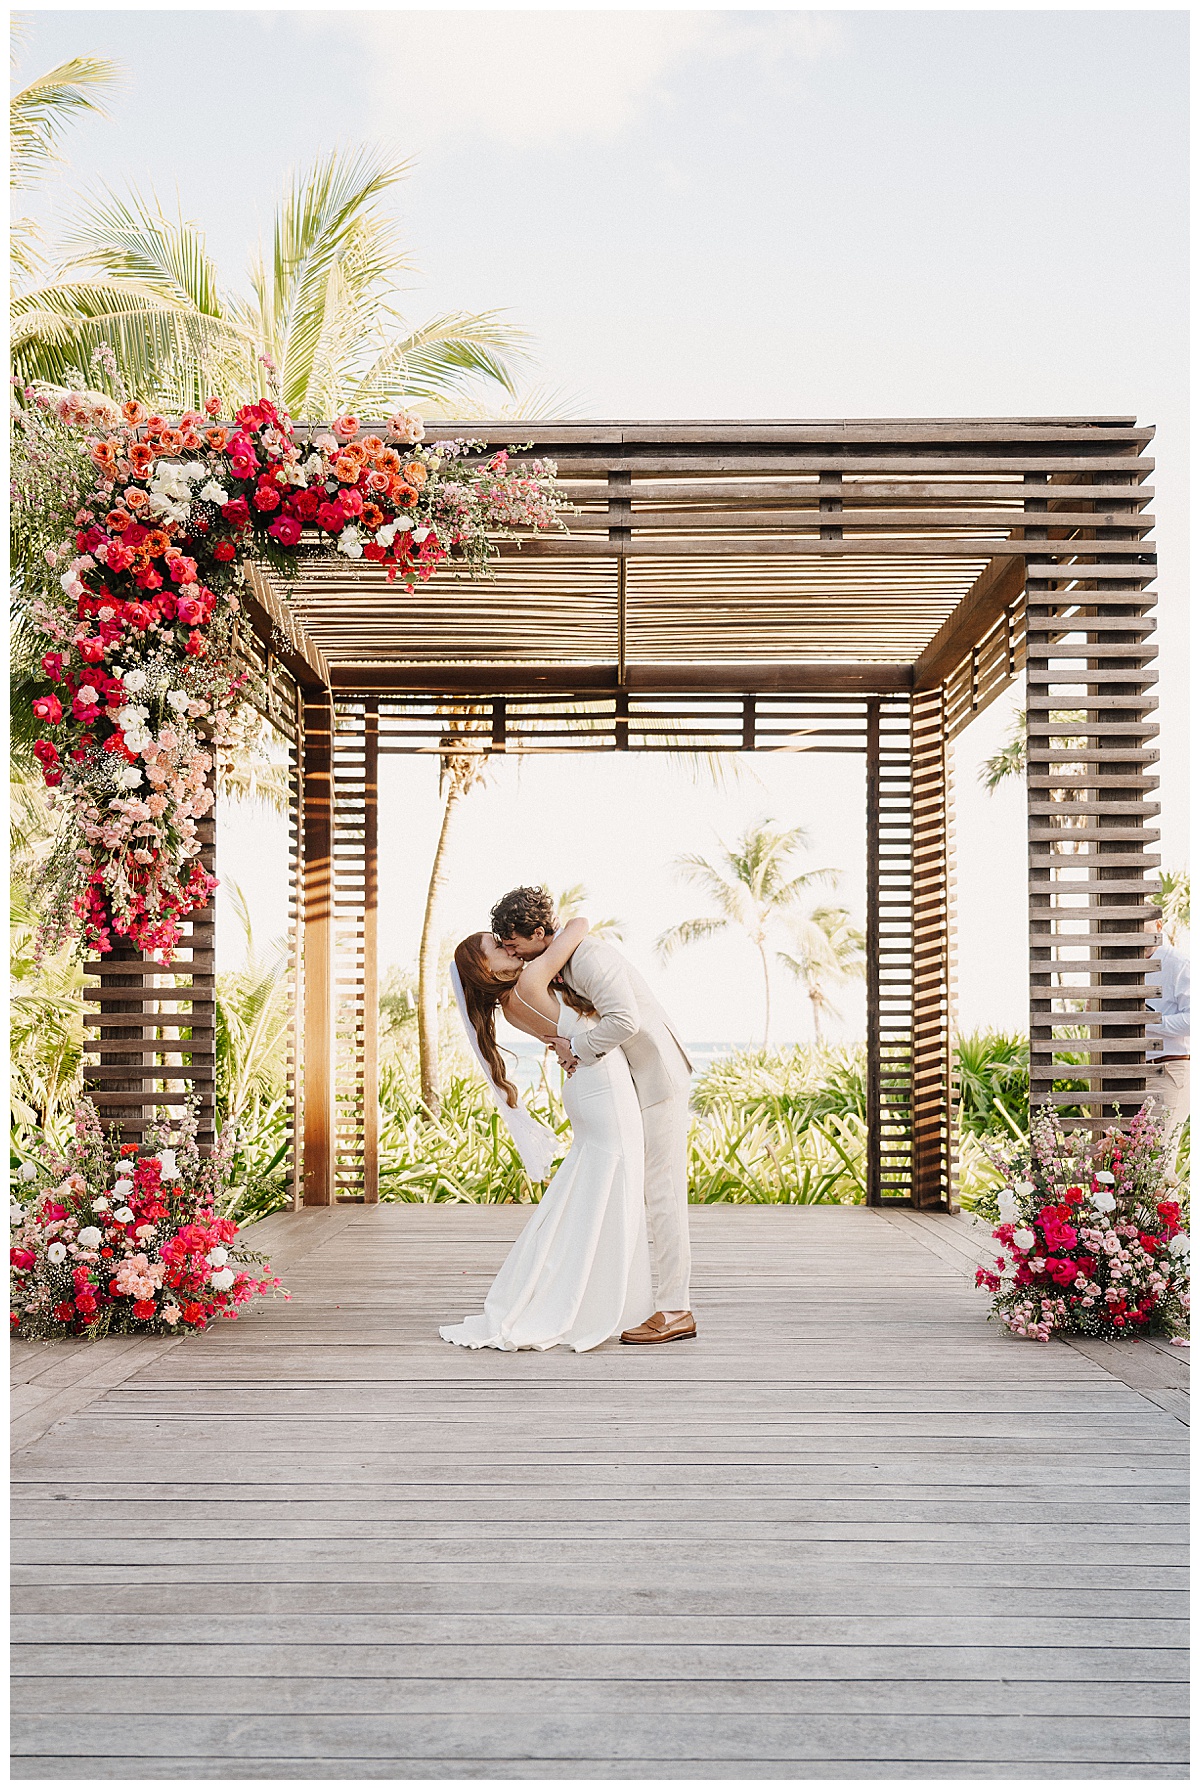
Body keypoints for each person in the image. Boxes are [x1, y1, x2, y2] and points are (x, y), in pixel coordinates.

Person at [491, 886, 696, 1345]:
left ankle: (676, 1309)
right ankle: (643, 1299)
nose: (513, 953)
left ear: (540, 933)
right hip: (632, 1081)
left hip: (657, 1079)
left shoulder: (589, 958)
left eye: (514, 943)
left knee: (661, 1193)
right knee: (645, 1191)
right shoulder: (561, 960)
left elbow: (625, 1021)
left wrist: (575, 1048)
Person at [440, 915, 653, 1352]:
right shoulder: (530, 982)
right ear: (490, 970)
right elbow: (579, 924)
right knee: (610, 1192)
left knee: (590, 1196)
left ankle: (579, 1294)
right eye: (497, 946)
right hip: (603, 1090)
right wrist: (536, 934)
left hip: (589, 1088)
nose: (507, 946)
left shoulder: (514, 1003)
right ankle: (587, 1301)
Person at [1145, 921, 1190, 1146]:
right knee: (1134, 1163)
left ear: (1158, 925)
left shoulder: (1179, 964)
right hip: (1130, 1074)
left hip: (1168, 1070)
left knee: (1159, 1155)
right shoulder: (1123, 966)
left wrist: (1147, 1021)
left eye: (1142, 923)